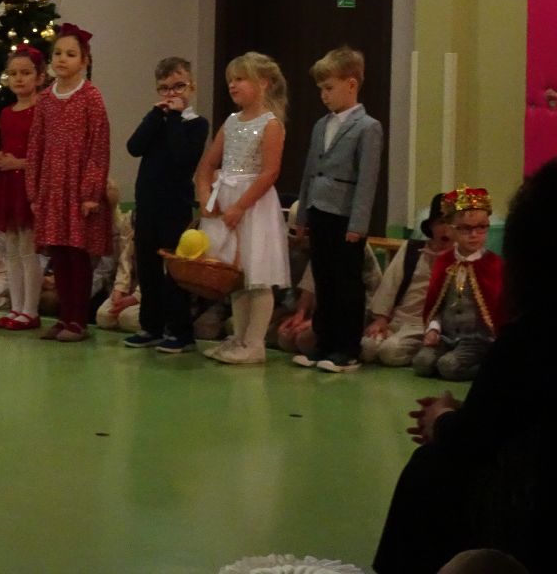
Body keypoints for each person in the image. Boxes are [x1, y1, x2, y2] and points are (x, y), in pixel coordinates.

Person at [373, 165, 549, 574]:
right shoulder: (443, 266)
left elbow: (479, 437)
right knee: (425, 359)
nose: (473, 235)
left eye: (481, 227)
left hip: (533, 498)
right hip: (446, 340)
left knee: (430, 468)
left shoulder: (530, 337)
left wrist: (443, 419)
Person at [292, 46, 385, 373]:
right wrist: (303, 215)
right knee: (324, 278)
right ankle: (324, 343)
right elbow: (309, 172)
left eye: (329, 87)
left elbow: (367, 180)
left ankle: (347, 348)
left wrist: (358, 224)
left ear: (351, 84)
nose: (324, 95)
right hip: (319, 209)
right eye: (321, 89)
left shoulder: (368, 127)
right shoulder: (321, 125)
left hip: (345, 216)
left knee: (346, 282)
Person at [194, 52, 290, 365]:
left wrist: (240, 206)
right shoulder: (231, 122)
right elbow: (207, 164)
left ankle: (254, 343)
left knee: (257, 274)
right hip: (227, 200)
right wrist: (205, 196)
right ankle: (238, 338)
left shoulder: (271, 124)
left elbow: (270, 172)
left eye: (240, 79)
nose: (233, 85)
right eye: (230, 80)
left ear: (263, 83)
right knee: (235, 276)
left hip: (254, 204)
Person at [25, 23, 111, 343]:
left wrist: (91, 192)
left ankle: (78, 320)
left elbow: (98, 146)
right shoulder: (46, 99)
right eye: (58, 53)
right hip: (52, 187)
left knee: (77, 254)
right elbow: (36, 145)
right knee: (58, 253)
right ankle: (63, 317)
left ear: (84, 61)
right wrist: (34, 190)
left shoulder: (91, 97)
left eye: (70, 54)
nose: (62, 59)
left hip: (78, 188)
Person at [123, 56, 210, 353]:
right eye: (164, 88)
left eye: (178, 86)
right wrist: (155, 116)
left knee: (174, 270)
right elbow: (134, 147)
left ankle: (181, 331)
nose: (172, 94)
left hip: (175, 206)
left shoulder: (197, 124)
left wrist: (174, 118)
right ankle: (151, 326)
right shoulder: (156, 120)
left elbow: (182, 158)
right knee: (147, 267)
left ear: (191, 87)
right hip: (147, 204)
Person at [412, 186, 505, 382]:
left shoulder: (493, 265)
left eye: (481, 227)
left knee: (449, 366)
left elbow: (499, 308)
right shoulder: (445, 262)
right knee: (422, 363)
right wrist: (433, 329)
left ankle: (488, 367)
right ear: (451, 229)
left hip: (477, 340)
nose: (474, 234)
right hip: (446, 336)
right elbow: (437, 302)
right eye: (465, 228)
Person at [0, 45, 44, 332]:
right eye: (13, 74)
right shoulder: (7, 113)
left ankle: (31, 310)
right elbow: (9, 147)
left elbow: (46, 155)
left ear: (39, 77)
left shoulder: (41, 110)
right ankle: (16, 307)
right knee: (12, 250)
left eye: (25, 73)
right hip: (10, 186)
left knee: (28, 249)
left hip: (29, 185)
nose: (18, 79)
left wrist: (18, 162)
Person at [361, 193, 456, 367]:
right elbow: (390, 284)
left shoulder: (459, 258)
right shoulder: (412, 249)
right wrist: (381, 318)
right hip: (397, 319)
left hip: (422, 326)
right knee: (367, 347)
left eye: (451, 223)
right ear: (431, 225)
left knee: (390, 351)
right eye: (441, 222)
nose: (446, 229)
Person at [94, 186, 141, 334]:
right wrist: (120, 289)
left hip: (151, 289)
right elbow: (124, 259)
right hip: (130, 284)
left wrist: (136, 297)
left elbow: (162, 270)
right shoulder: (131, 218)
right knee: (103, 317)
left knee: (128, 319)